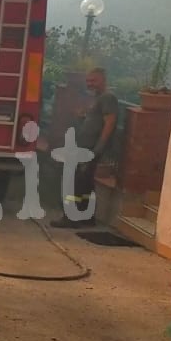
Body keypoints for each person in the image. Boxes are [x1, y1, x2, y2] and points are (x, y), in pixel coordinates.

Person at [53, 66, 119, 229]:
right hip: (84, 148)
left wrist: (99, 147)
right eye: (88, 81)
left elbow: (109, 123)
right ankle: (87, 217)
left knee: (74, 182)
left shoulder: (107, 98)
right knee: (85, 183)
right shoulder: (97, 99)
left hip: (90, 149)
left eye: (94, 80)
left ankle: (71, 217)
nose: (90, 84)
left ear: (103, 80)